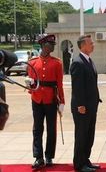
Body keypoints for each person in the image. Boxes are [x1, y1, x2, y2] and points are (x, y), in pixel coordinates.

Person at [26, 34, 65, 169]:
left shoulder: (57, 63)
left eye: (53, 45)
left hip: (51, 99)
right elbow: (30, 83)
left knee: (51, 128)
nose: (52, 47)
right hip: (37, 98)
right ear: (43, 45)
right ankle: (38, 157)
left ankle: (49, 156)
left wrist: (62, 102)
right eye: (50, 45)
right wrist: (30, 87)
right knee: (37, 128)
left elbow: (59, 84)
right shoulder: (32, 62)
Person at [70, 35, 101, 172]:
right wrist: (80, 105)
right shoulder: (77, 62)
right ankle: (79, 164)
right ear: (82, 46)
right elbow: (77, 87)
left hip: (92, 106)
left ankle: (85, 160)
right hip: (82, 108)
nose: (93, 45)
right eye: (90, 43)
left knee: (89, 135)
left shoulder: (88, 60)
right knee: (81, 135)